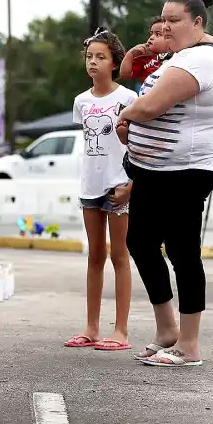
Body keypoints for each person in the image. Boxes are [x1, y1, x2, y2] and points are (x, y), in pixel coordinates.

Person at [116, 0, 213, 368]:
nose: (166, 26)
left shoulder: (203, 59)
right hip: (157, 171)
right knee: (141, 241)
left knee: (183, 251)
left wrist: (127, 114)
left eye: (175, 20)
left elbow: (151, 106)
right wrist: (131, 126)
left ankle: (189, 345)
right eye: (163, 19)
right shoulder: (181, 57)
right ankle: (167, 330)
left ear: (197, 22)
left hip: (186, 172)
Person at [65, 28, 137, 352]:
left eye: (100, 57)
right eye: (89, 57)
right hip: (89, 185)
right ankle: (91, 328)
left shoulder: (128, 99)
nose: (93, 62)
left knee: (120, 256)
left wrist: (131, 186)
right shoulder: (80, 102)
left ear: (114, 62)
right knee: (95, 255)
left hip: (118, 184)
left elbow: (137, 145)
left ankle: (121, 330)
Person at [119, 16, 172, 89]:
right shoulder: (146, 60)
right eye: (151, 33)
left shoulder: (177, 57)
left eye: (158, 34)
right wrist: (130, 54)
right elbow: (125, 74)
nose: (151, 37)